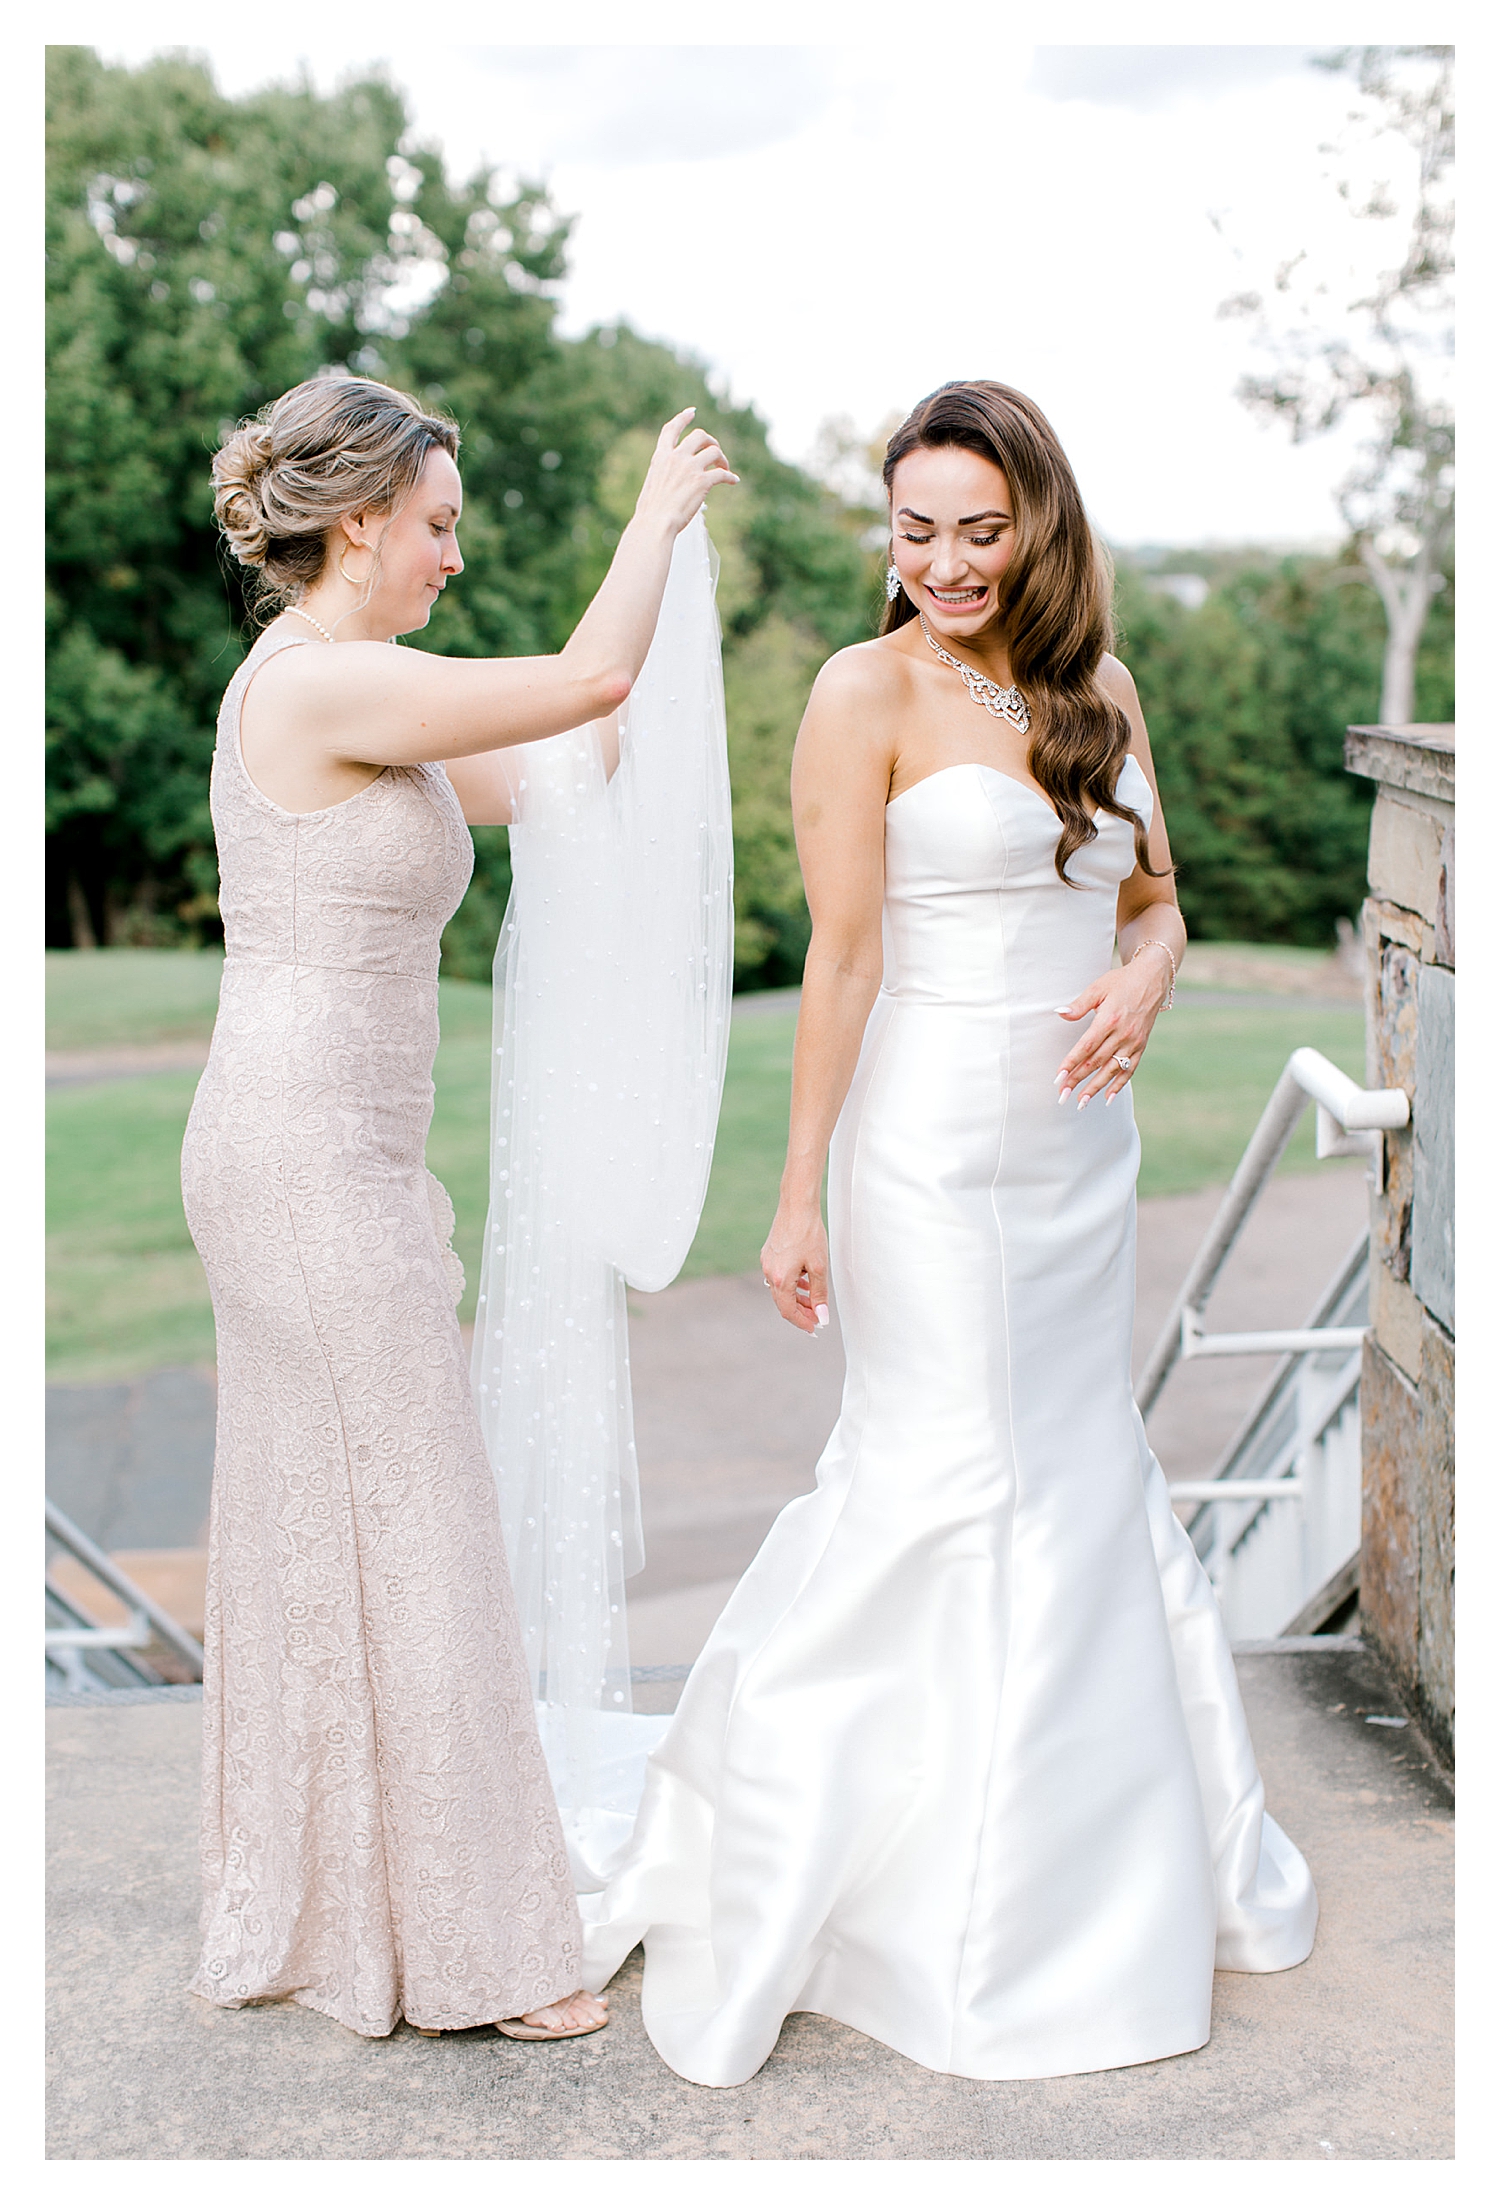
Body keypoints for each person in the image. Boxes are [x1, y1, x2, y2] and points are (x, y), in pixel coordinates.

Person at [579, 379, 1318, 2086]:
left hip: (1080, 1157)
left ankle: (1091, 1858)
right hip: (924, 1155)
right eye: (918, 530)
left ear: (1040, 525)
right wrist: (797, 1192)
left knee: (1076, 1467)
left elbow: (1157, 899)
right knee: (943, 1477)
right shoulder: (862, 689)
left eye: (981, 530)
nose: (948, 562)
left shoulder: (1102, 687)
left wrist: (1146, 975)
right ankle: (900, 1884)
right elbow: (842, 959)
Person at [180, 374, 735, 2041]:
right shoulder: (316, 679)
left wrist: (666, 691)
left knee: (339, 1525)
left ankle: (338, 1911)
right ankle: (488, 1953)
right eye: (437, 526)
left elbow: (573, 743)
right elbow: (584, 676)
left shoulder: (369, 698)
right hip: (301, 1160)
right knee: (419, 1525)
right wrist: (653, 526)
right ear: (358, 524)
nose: (451, 556)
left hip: (333, 1154)